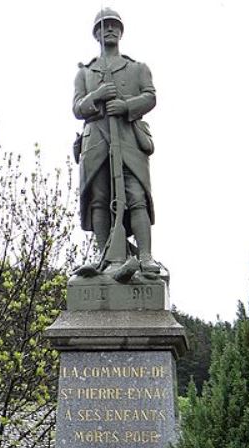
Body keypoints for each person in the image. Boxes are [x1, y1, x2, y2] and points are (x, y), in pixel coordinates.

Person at [73, 8, 158, 280]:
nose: (108, 29)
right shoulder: (85, 73)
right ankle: (107, 258)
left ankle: (145, 257)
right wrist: (97, 95)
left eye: (113, 25)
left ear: (121, 31)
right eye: (103, 26)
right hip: (96, 140)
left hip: (129, 139)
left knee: (136, 197)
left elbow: (150, 97)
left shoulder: (137, 68)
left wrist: (125, 105)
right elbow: (77, 108)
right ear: (96, 33)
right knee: (98, 200)